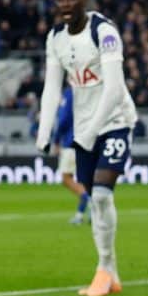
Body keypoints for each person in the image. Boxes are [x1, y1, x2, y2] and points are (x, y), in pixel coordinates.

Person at [36, 0, 137, 296]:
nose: (65, 4)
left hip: (115, 121)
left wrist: (92, 132)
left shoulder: (104, 32)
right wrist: (43, 131)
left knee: (103, 195)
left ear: (84, 1)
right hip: (83, 129)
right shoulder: (55, 38)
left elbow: (114, 86)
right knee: (96, 199)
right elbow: (52, 88)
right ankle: (111, 273)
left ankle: (103, 270)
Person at [53, 85, 91, 225]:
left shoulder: (70, 93)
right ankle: (80, 215)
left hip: (71, 141)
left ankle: (90, 201)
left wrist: (56, 139)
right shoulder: (90, 92)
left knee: (66, 178)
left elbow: (64, 119)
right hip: (88, 141)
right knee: (82, 181)